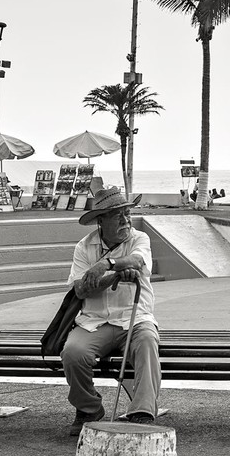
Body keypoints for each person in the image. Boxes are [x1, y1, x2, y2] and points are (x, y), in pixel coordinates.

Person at [61, 186, 159, 434]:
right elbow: (81, 290)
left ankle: (142, 413)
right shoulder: (84, 247)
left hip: (135, 319)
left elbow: (137, 261)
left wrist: (105, 264)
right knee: (73, 352)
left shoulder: (139, 239)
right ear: (101, 221)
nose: (126, 221)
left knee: (147, 341)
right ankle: (89, 408)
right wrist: (112, 278)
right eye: (119, 216)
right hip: (95, 321)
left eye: (128, 214)